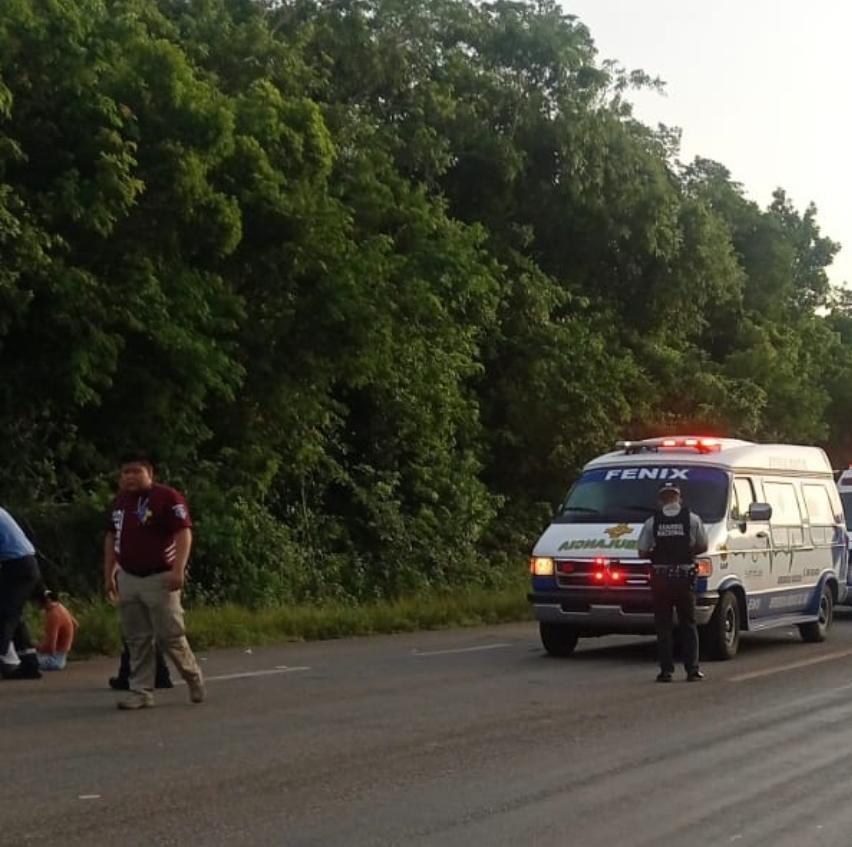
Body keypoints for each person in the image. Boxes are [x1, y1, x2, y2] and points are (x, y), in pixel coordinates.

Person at [104, 452, 205, 709]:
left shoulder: (166, 497)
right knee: (137, 638)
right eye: (125, 472)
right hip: (129, 576)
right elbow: (111, 539)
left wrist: (178, 569)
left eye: (136, 472)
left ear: (150, 474)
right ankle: (141, 690)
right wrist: (109, 575)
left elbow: (184, 533)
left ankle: (192, 676)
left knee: (169, 634)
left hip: (159, 575)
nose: (130, 477)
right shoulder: (119, 503)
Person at [638, 482, 708, 683]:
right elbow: (702, 546)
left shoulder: (652, 522)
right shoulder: (693, 519)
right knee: (688, 624)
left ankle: (666, 671)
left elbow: (642, 551)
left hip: (661, 579)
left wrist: (659, 553)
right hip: (684, 578)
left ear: (661, 500)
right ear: (679, 498)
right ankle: (692, 670)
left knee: (663, 625)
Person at [0, 507, 43, 680]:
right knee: (13, 613)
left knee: (5, 614)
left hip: (17, 565)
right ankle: (29, 663)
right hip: (23, 564)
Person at [35, 589, 78, 671]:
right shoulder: (61, 607)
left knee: (21, 661)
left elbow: (50, 648)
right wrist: (64, 642)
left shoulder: (53, 615)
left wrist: (36, 646)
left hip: (53, 660)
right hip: (62, 655)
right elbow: (75, 625)